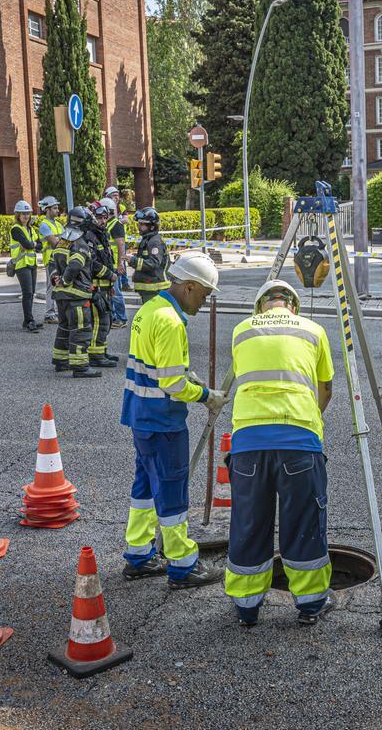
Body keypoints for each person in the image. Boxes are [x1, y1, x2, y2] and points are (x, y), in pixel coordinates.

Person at [225, 280, 335, 628]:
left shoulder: (241, 331)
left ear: (260, 306)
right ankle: (310, 606)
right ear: (293, 306)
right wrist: (309, 421)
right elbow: (326, 388)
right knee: (303, 523)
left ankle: (246, 608)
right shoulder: (314, 330)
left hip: (247, 446)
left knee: (249, 524)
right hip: (299, 443)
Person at [120, 250, 226, 589]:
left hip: (141, 416)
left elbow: (158, 370)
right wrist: (207, 396)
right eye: (206, 294)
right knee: (172, 492)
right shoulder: (170, 320)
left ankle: (138, 555)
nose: (205, 302)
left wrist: (186, 378)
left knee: (145, 488)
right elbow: (172, 384)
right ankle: (182, 565)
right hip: (163, 422)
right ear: (191, 286)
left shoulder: (151, 308)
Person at [48, 206, 106, 378]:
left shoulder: (62, 241)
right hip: (77, 295)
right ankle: (80, 367)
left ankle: (60, 361)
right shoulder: (80, 243)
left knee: (64, 328)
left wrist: (56, 279)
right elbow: (75, 265)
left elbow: (52, 262)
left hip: (61, 295)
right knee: (80, 329)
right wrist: (66, 280)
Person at [87, 202, 119, 368]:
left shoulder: (102, 234)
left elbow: (106, 259)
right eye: (99, 217)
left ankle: (102, 351)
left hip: (105, 286)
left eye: (105, 217)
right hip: (96, 286)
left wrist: (110, 282)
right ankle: (95, 355)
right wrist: (110, 275)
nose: (103, 220)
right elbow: (92, 264)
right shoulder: (89, 235)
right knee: (100, 320)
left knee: (105, 320)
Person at [9, 199, 42, 332]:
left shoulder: (31, 229)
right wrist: (32, 244)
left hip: (32, 264)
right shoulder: (16, 229)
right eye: (23, 214)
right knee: (27, 293)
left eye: (28, 213)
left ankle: (27, 320)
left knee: (31, 292)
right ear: (17, 215)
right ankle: (29, 321)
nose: (26, 216)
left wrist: (32, 244)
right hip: (21, 264)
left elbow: (39, 246)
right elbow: (30, 244)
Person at [102, 189, 129, 329]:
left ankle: (121, 318)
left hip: (114, 264)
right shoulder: (107, 224)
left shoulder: (115, 225)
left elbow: (121, 245)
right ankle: (113, 317)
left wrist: (120, 264)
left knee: (116, 293)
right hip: (108, 263)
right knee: (110, 292)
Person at [130, 206, 169, 304]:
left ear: (152, 226)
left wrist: (132, 261)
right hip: (149, 289)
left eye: (142, 224)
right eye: (139, 223)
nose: (139, 226)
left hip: (155, 289)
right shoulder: (147, 240)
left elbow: (153, 263)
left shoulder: (154, 242)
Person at [36, 196, 64, 324]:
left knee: (60, 286)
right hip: (51, 260)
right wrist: (61, 240)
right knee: (51, 286)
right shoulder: (44, 225)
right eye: (55, 208)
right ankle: (49, 314)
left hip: (62, 259)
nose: (57, 210)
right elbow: (54, 242)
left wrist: (61, 240)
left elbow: (65, 240)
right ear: (47, 210)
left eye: (57, 208)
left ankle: (58, 312)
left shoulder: (58, 224)